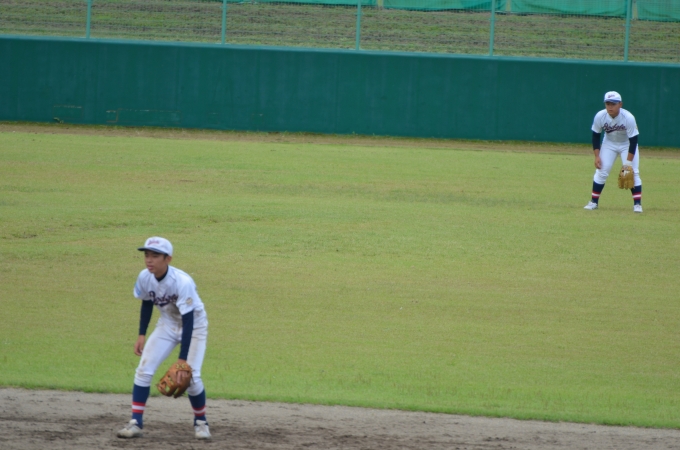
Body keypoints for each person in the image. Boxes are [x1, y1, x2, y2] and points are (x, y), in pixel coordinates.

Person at [117, 237, 211, 440]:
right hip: (167, 324)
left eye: (155, 256)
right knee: (143, 370)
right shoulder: (145, 277)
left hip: (194, 326)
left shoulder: (182, 281)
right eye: (146, 255)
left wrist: (182, 359)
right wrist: (141, 334)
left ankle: (201, 423)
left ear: (168, 259)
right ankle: (135, 423)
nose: (149, 260)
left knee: (191, 377)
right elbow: (146, 303)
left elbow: (188, 320)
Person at [584, 91, 642, 213]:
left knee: (632, 172)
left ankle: (637, 204)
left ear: (620, 104)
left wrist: (628, 163)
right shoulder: (600, 116)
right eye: (608, 104)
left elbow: (633, 141)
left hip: (627, 144)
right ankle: (594, 202)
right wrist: (597, 156)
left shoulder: (628, 118)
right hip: (609, 143)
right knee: (602, 170)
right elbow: (595, 136)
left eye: (613, 104)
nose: (610, 106)